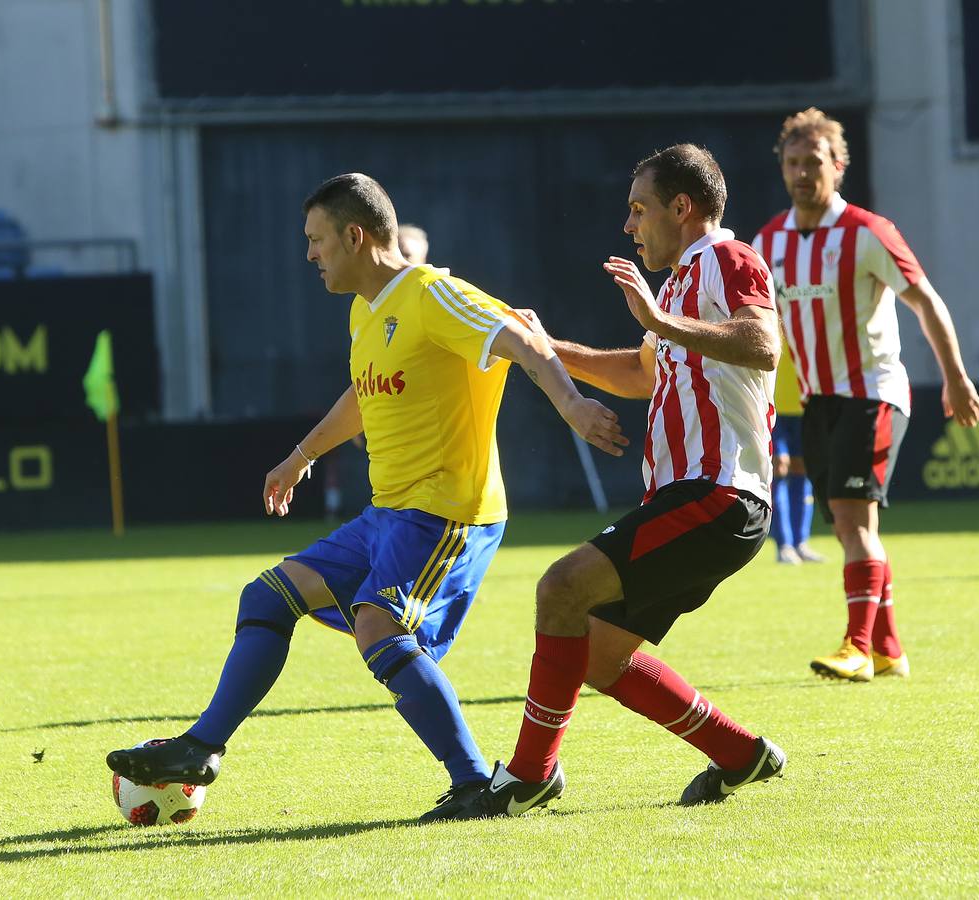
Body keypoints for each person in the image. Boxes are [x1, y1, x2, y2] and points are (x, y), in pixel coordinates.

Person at [106, 173, 626, 822]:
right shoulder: (366, 310)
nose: (309, 254)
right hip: (387, 514)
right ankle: (201, 749)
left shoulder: (434, 294)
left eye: (317, 239)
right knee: (267, 595)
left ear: (355, 236)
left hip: (447, 513)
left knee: (378, 626)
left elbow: (522, 337)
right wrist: (300, 457)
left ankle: (476, 784)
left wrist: (573, 405)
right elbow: (364, 394)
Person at [441, 144, 787, 818]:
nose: (629, 225)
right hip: (696, 500)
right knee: (596, 654)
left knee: (560, 588)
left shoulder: (725, 257)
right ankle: (741, 753)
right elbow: (639, 372)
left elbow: (763, 343)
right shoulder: (685, 283)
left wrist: (659, 321)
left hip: (719, 495)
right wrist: (543, 350)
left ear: (682, 208)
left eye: (639, 208)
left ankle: (529, 775)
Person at [753, 108, 979, 681]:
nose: (803, 174)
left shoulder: (867, 231)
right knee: (852, 528)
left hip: (873, 393)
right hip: (817, 400)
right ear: (781, 168)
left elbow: (925, 301)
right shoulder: (770, 241)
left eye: (814, 162)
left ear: (838, 166)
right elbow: (753, 323)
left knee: (854, 523)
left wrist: (955, 377)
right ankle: (888, 649)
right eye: (793, 163)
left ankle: (856, 646)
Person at [771, 350, 823, 564]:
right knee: (779, 468)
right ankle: (784, 545)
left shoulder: (805, 322)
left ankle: (801, 543)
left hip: (804, 408)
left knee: (803, 471)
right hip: (776, 409)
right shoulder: (772, 318)